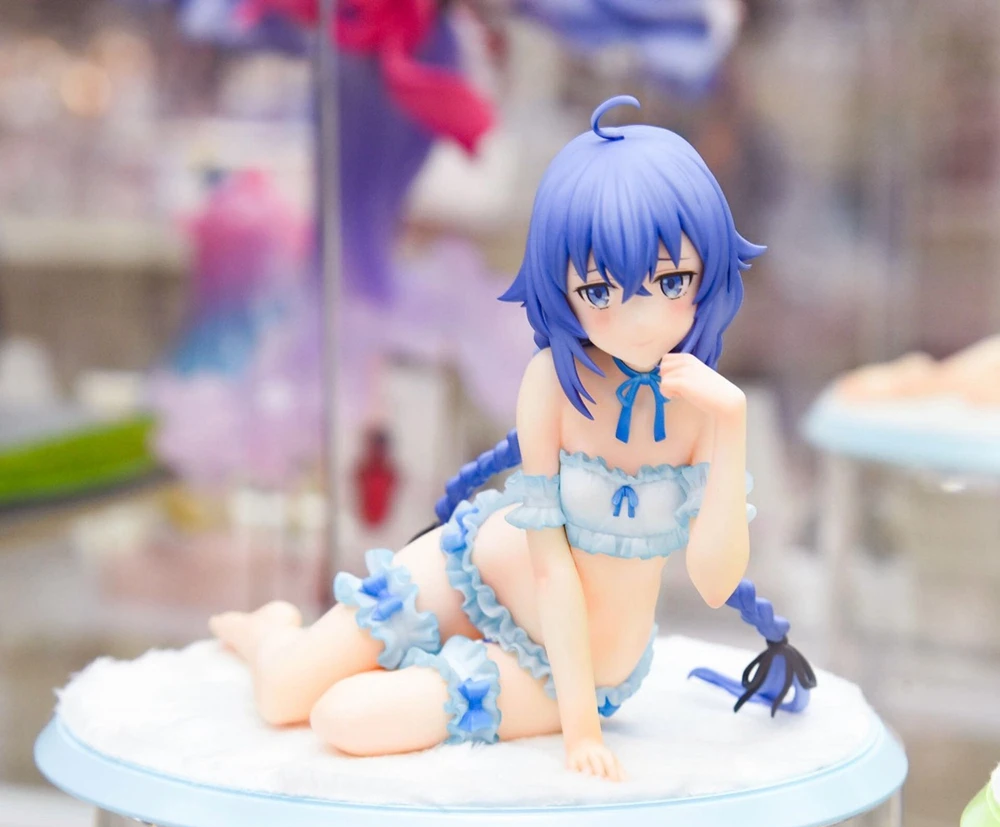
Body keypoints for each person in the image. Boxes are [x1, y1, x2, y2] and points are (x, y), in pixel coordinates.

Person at [210, 96, 814, 782]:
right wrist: (580, 734)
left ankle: (409, 663)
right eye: (601, 291)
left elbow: (713, 582)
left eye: (670, 281)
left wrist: (731, 423)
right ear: (563, 288)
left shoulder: (702, 408)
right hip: (471, 569)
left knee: (344, 718)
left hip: (569, 666)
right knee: (285, 692)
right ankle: (271, 633)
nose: (641, 319)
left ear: (709, 271)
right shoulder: (554, 380)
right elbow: (552, 567)